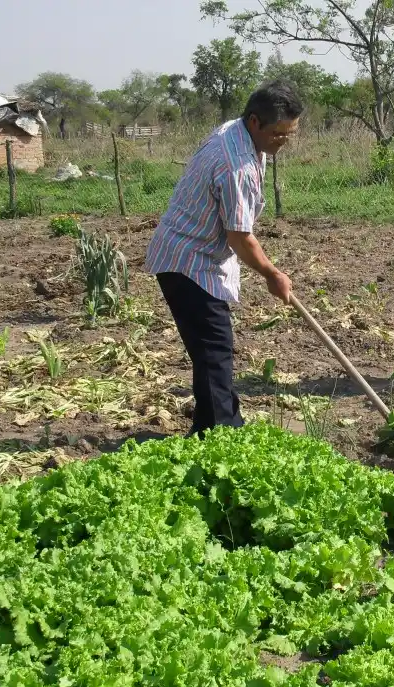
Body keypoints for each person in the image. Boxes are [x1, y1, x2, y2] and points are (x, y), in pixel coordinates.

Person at [144, 80, 302, 437]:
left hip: (197, 255)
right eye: (278, 134)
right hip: (188, 260)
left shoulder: (235, 131)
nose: (284, 141)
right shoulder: (237, 166)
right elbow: (240, 237)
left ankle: (218, 426)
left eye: (290, 134)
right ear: (255, 122)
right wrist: (272, 274)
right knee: (214, 348)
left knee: (212, 349)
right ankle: (219, 434)